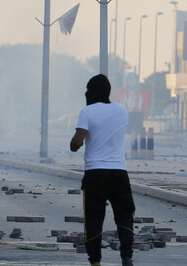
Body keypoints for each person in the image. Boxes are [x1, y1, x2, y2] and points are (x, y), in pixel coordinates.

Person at [70, 74, 134, 266]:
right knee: (124, 214)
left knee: (94, 218)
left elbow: (76, 143)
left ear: (92, 91)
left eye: (88, 89)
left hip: (95, 173)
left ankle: (96, 262)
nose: (86, 93)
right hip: (118, 172)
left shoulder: (88, 112)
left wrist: (76, 142)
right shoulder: (122, 110)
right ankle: (126, 256)